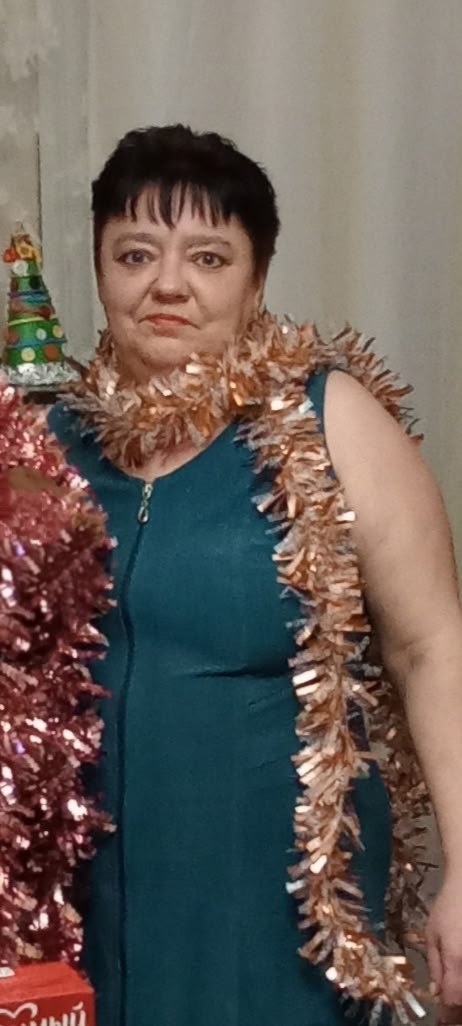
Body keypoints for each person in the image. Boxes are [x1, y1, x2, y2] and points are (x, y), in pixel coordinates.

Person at [48, 124, 462, 1026]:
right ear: (100, 270)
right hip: (92, 915)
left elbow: (433, 647)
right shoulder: (49, 449)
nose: (167, 284)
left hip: (283, 922)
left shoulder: (329, 422)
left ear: (257, 280)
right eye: (135, 253)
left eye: (208, 257)